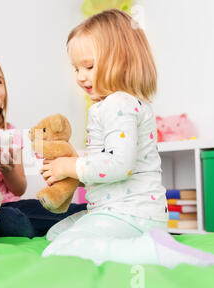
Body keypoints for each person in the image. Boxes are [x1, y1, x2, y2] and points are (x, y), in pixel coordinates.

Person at [40, 9, 214, 268]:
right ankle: (142, 242)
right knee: (55, 235)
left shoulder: (117, 104)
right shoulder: (118, 104)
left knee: (58, 249)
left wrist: (69, 166)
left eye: (88, 66)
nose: (80, 76)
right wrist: (77, 173)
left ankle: (149, 251)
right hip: (125, 213)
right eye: (76, 68)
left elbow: (119, 164)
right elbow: (107, 164)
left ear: (121, 61)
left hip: (130, 215)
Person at [0, 55, 87, 238]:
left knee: (33, 210)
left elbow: (19, 188)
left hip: (6, 205)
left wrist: (8, 170)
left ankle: (93, 213)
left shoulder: (9, 132)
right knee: (12, 220)